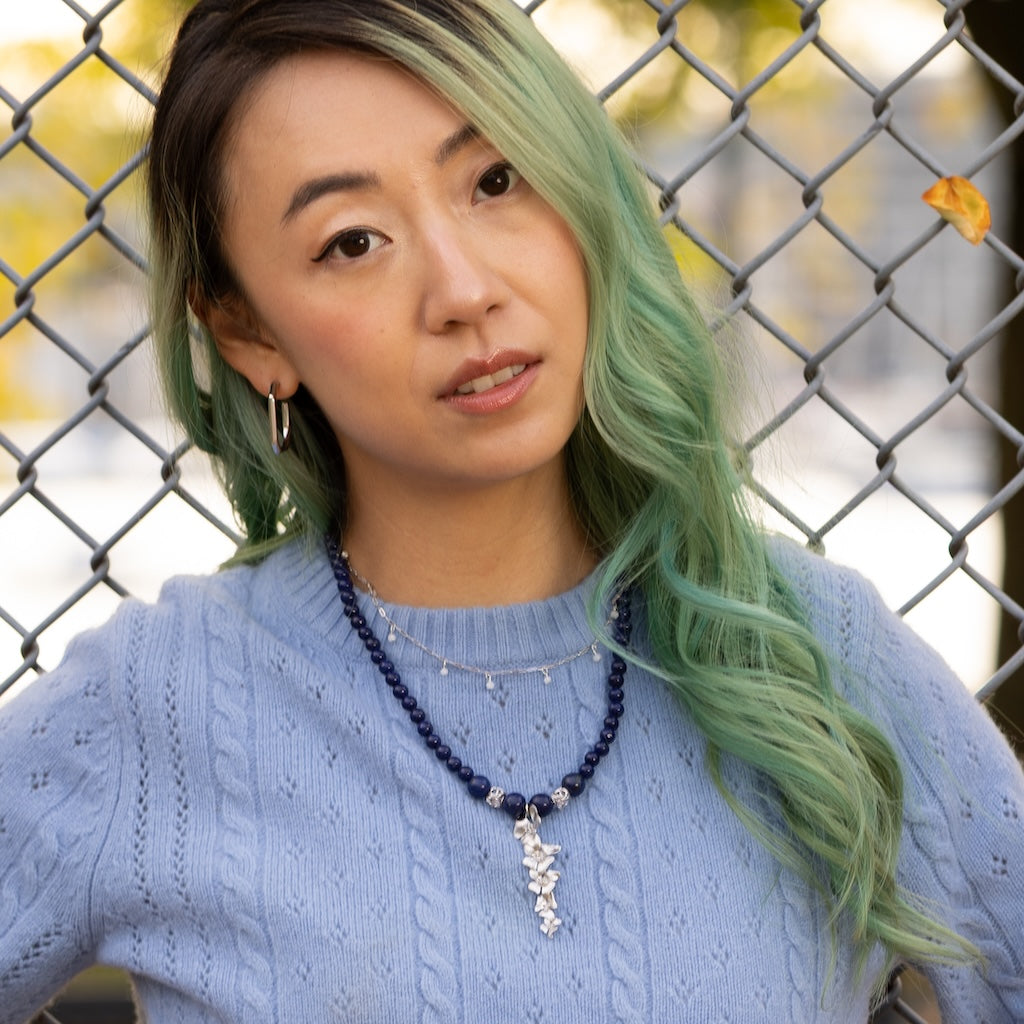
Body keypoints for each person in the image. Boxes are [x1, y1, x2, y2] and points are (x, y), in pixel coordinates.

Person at [2, 0, 1022, 1020]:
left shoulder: (816, 656)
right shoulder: (159, 707)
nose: (462, 288)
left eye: (495, 181)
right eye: (352, 240)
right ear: (246, 332)